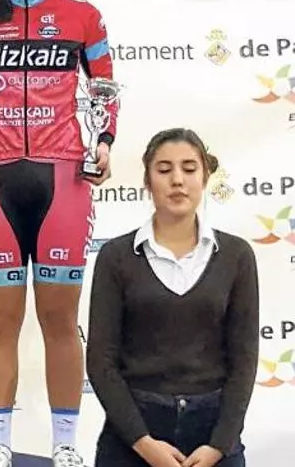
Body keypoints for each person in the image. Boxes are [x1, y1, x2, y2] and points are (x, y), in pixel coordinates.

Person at [0, 0, 119, 465]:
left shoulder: (82, 17)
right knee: (0, 321)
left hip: (63, 177)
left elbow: (105, 91)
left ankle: (65, 444)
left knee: (60, 320)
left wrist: (104, 142)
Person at [86, 128, 259, 467]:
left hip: (213, 436)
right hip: (132, 436)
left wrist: (218, 447)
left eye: (189, 169)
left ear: (205, 177)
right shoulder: (116, 256)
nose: (177, 180)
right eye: (164, 170)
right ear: (147, 181)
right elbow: (101, 362)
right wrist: (144, 444)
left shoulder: (236, 255)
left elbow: (244, 361)